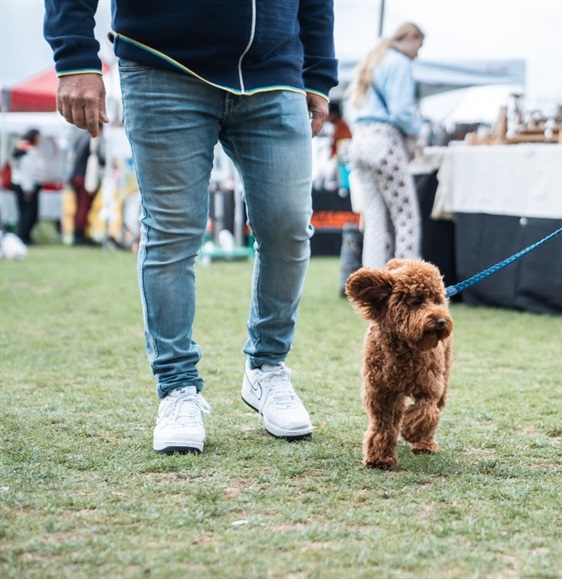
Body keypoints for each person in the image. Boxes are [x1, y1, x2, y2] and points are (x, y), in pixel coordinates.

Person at [44, 0, 338, 453]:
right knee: (172, 232)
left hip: (275, 71)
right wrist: (76, 57)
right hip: (162, 62)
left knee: (289, 226)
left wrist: (318, 74)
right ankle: (178, 387)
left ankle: (267, 368)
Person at [346, 22, 425, 269]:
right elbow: (401, 113)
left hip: (359, 141)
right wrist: (417, 128)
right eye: (418, 47)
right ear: (411, 37)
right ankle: (408, 283)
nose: (417, 54)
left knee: (374, 221)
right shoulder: (399, 63)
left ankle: (373, 286)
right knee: (406, 218)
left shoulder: (373, 61)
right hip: (384, 142)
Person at [68, 124, 105, 246]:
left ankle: (80, 234)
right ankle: (79, 235)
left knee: (80, 207)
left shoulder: (81, 138)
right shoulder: (91, 141)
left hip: (78, 177)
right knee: (83, 207)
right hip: (84, 177)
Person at [9, 129, 45, 245]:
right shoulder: (28, 150)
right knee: (29, 213)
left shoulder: (19, 148)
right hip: (27, 186)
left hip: (19, 184)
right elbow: (28, 171)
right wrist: (28, 190)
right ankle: (23, 236)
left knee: (24, 212)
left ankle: (24, 236)